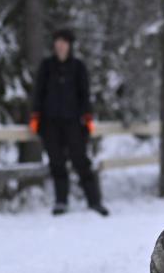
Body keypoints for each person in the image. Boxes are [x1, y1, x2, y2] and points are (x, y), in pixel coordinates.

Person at [30, 29, 109, 216]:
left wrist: (87, 118)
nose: (60, 45)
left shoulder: (78, 67)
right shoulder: (47, 66)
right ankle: (61, 201)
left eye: (64, 42)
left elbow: (85, 95)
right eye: (57, 41)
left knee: (81, 161)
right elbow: (38, 94)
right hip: (50, 123)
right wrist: (35, 117)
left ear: (69, 45)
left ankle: (94, 201)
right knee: (57, 162)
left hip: (74, 123)